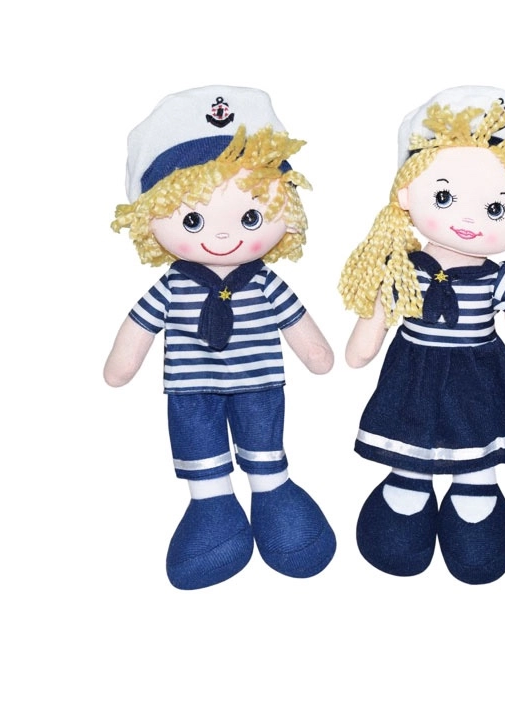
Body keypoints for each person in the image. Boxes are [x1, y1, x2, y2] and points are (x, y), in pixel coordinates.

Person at [339, 85, 505, 584]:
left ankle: (476, 488)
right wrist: (364, 343)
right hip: (414, 367)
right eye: (444, 197)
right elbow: (375, 323)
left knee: (476, 430)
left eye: (495, 209)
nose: (467, 219)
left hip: (477, 370)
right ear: (405, 195)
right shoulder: (403, 268)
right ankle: (409, 483)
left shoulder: (501, 279)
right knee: (411, 429)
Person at [104, 85, 336, 589]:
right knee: (198, 441)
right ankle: (211, 504)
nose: (225, 236)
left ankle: (272, 490)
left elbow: (307, 338)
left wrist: (318, 354)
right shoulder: (172, 287)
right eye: (193, 219)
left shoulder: (265, 282)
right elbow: (138, 330)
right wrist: (122, 365)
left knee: (264, 439)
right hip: (192, 391)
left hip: (259, 385)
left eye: (250, 217)